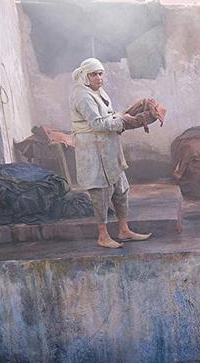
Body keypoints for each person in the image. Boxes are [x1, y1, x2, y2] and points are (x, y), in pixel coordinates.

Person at [70, 58, 151, 249]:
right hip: (93, 150)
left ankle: (124, 230)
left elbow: (109, 116)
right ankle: (103, 235)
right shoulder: (82, 96)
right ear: (85, 76)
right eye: (94, 74)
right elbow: (97, 124)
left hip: (108, 149)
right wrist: (123, 120)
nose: (99, 77)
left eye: (100, 73)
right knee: (100, 194)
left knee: (121, 189)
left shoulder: (99, 92)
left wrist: (124, 116)